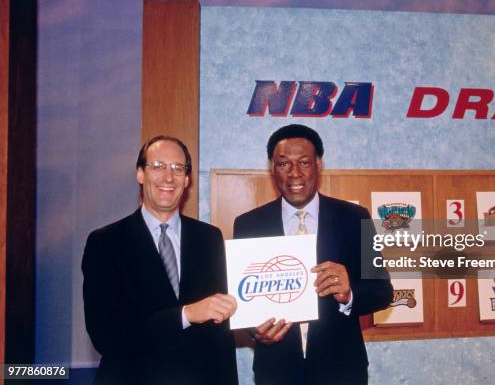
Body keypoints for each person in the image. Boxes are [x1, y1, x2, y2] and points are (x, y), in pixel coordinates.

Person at [233, 124, 393, 384]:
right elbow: (245, 301)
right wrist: (255, 332)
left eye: (304, 162)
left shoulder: (354, 217)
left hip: (341, 368)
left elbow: (383, 291)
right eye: (284, 164)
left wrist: (349, 294)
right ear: (272, 168)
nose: (295, 173)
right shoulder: (249, 224)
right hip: (276, 371)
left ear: (318, 164)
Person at [82, 136, 238, 385]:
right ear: (140, 174)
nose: (168, 177)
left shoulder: (209, 238)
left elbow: (221, 334)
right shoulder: (106, 242)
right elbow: (106, 335)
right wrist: (186, 315)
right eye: (158, 166)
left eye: (178, 168)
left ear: (188, 180)